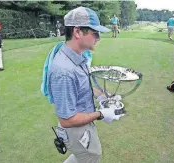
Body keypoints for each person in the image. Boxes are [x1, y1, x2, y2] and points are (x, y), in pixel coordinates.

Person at [46, 6, 121, 163]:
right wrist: (101, 114)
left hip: (82, 122)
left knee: (84, 157)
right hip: (75, 129)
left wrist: (103, 97)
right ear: (78, 32)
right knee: (92, 156)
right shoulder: (64, 71)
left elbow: (81, 86)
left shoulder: (78, 56)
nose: (98, 38)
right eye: (95, 33)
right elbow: (67, 119)